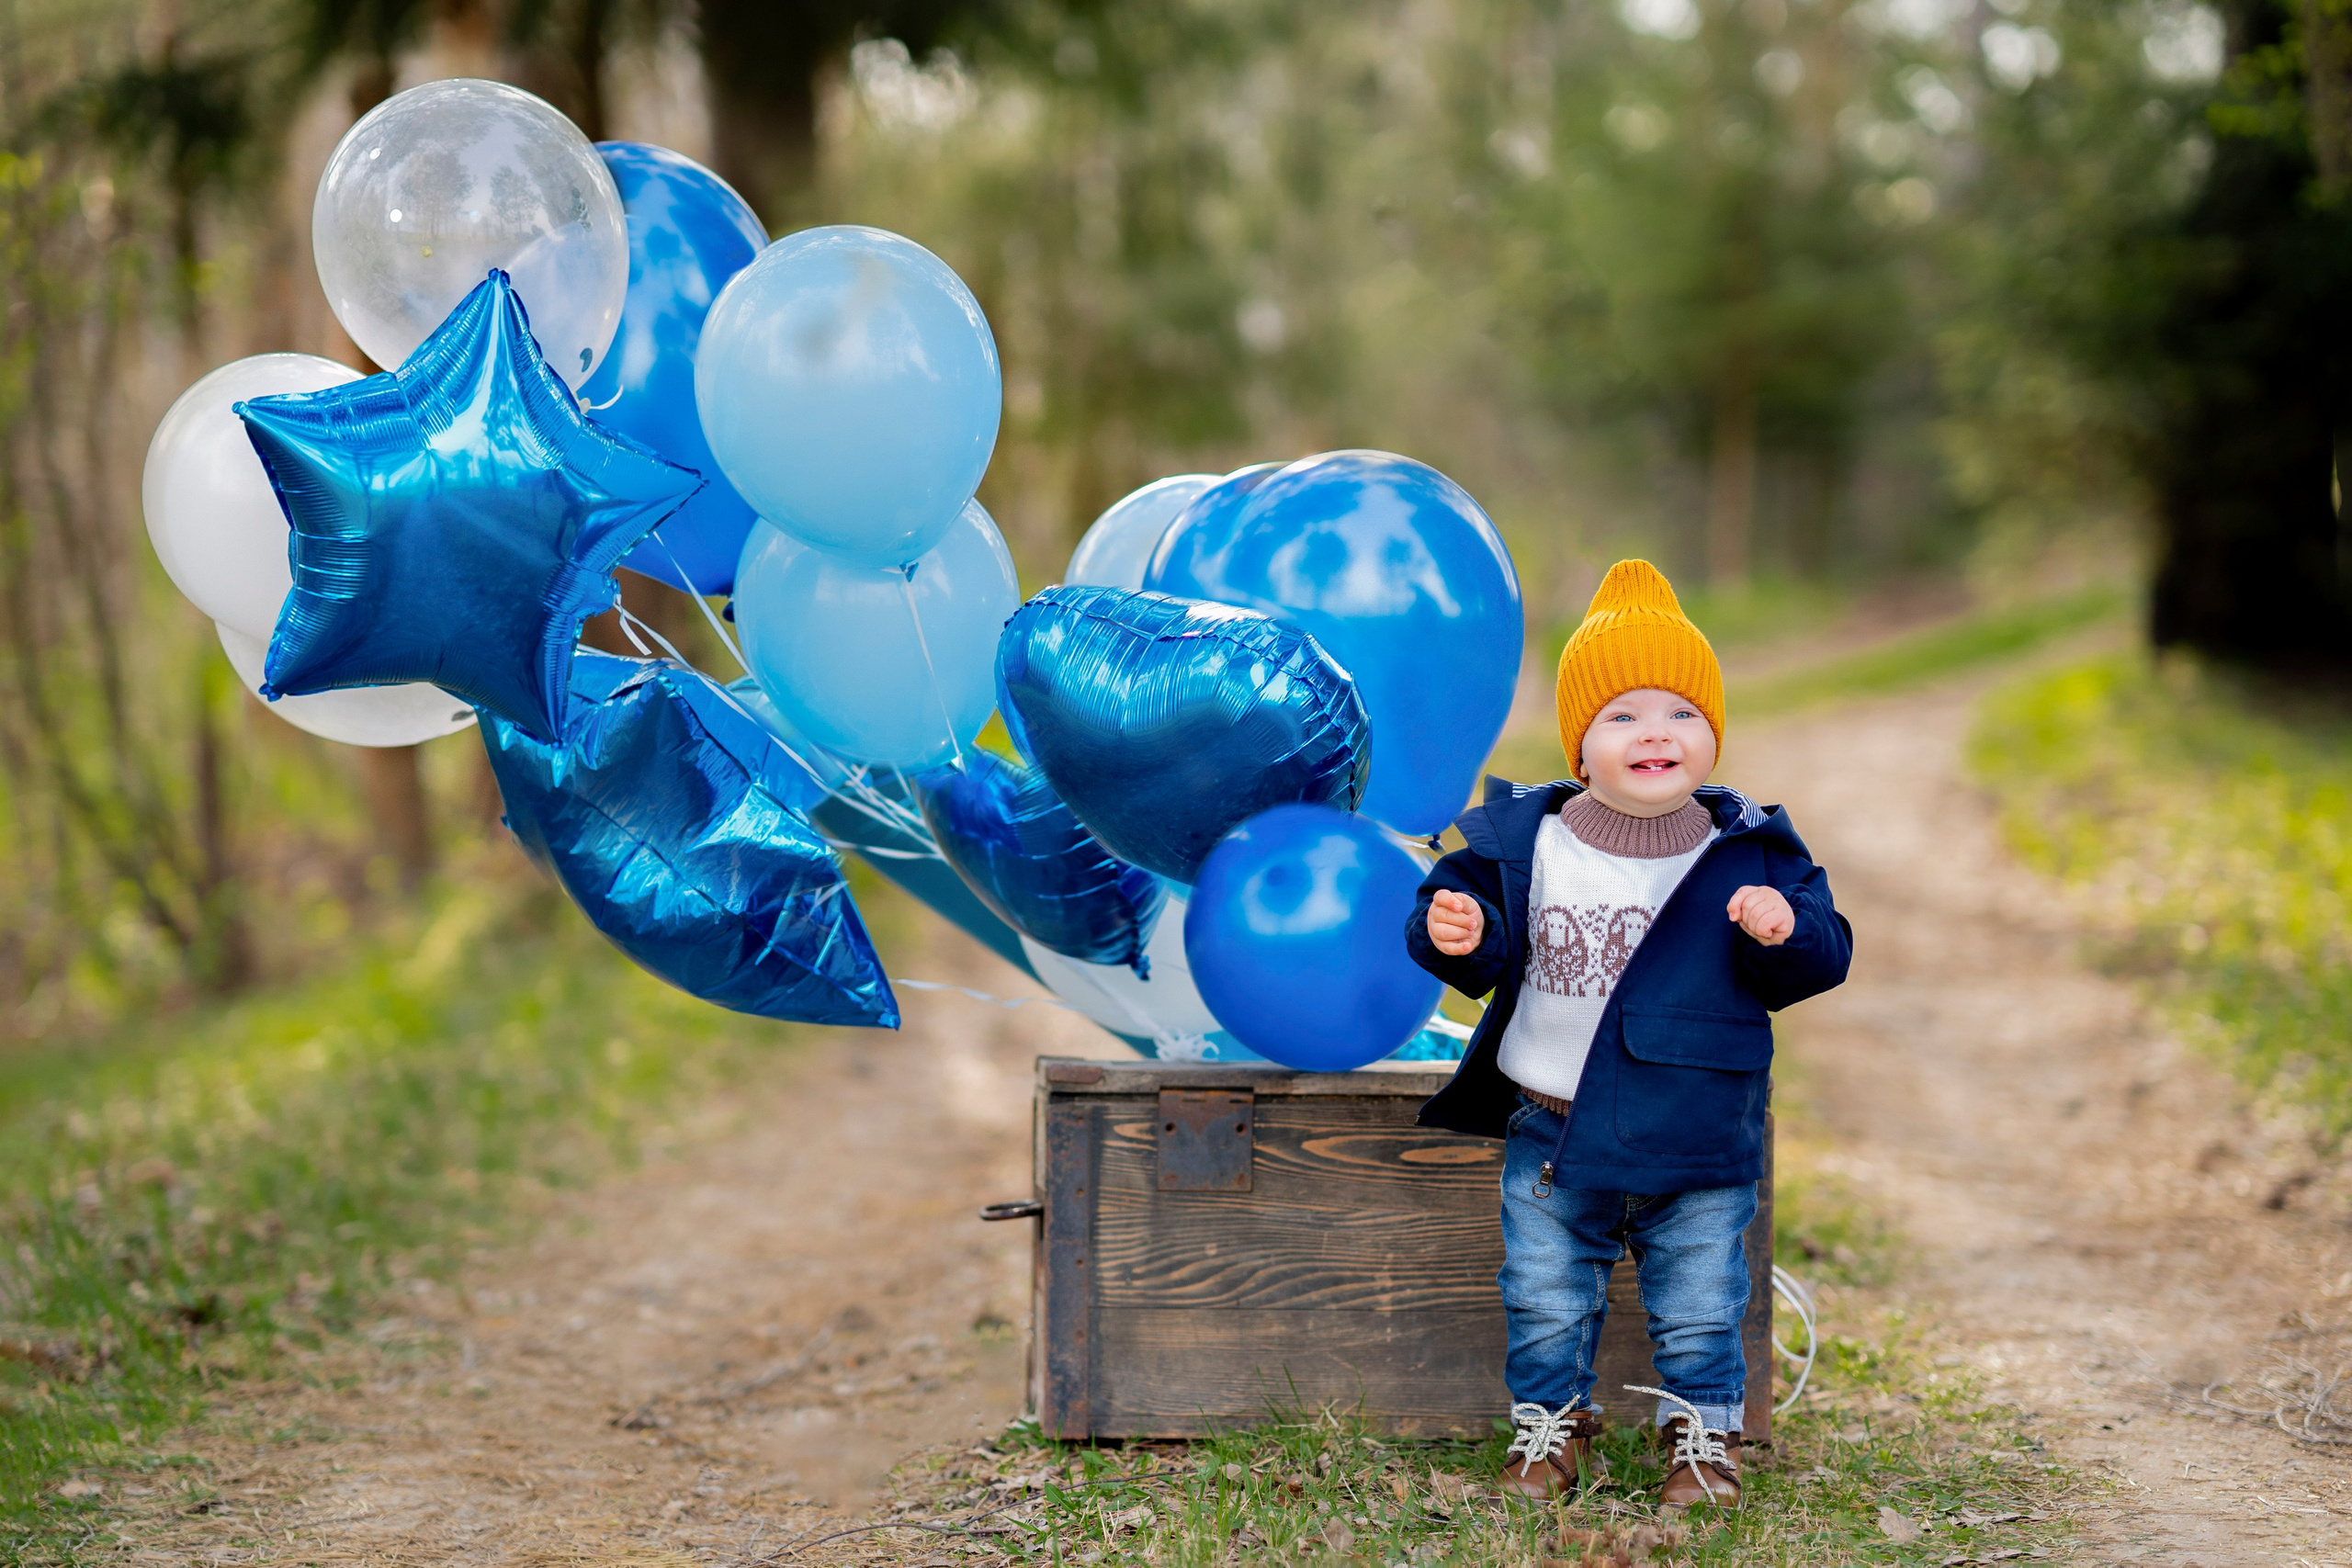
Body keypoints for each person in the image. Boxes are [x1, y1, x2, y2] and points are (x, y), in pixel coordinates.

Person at [1404, 558, 1851, 1508]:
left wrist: (1785, 930)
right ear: (1580, 749)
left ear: (1712, 734)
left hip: (1696, 1132)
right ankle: (1550, 1425)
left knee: (1701, 1302)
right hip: (1551, 1129)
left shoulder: (1748, 850)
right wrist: (1457, 930)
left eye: (1682, 711)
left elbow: (1822, 954)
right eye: (1622, 715)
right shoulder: (1529, 842)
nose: (1656, 730)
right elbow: (1462, 924)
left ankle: (1703, 1435)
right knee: (1544, 1294)